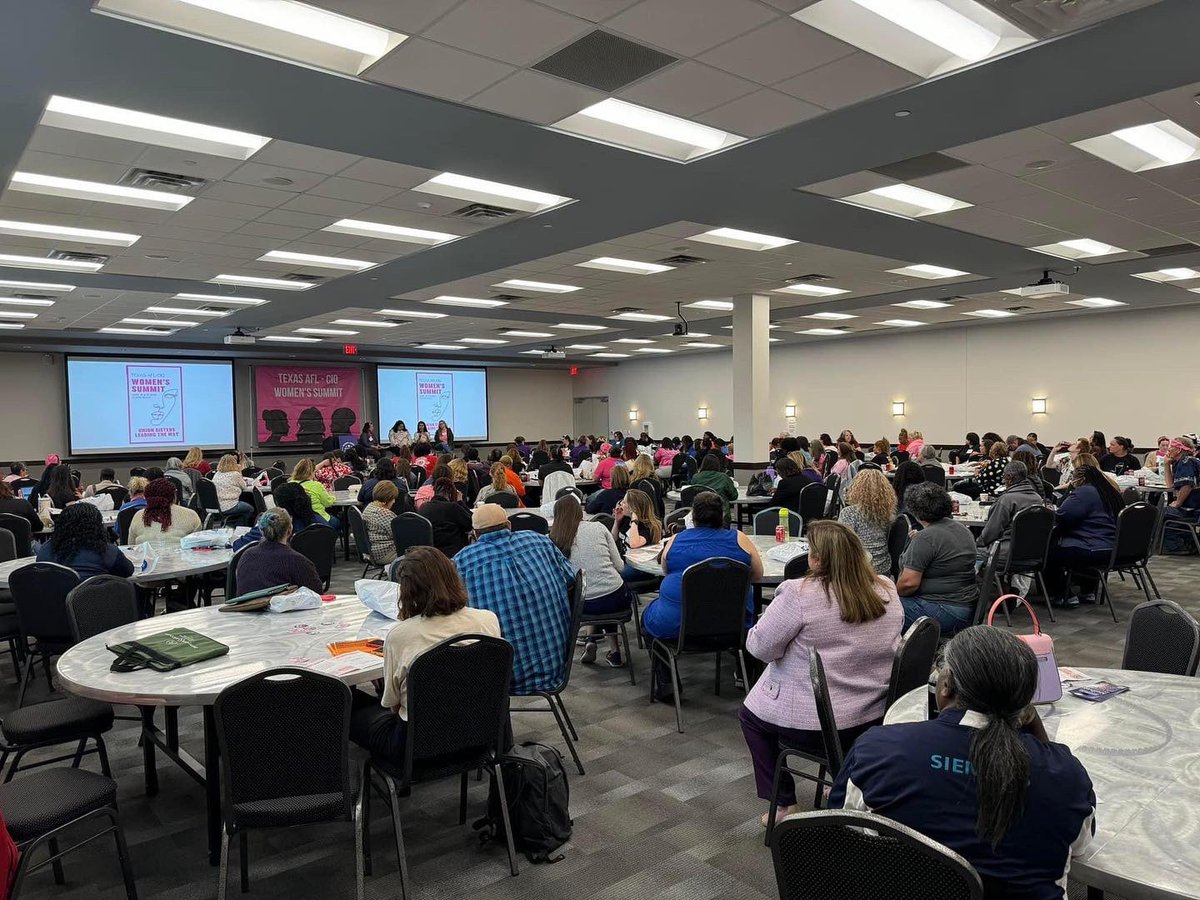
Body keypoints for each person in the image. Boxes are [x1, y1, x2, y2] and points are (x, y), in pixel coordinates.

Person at [832, 626, 1095, 895]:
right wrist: (1039, 737)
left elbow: (838, 827)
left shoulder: (877, 749)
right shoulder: (1066, 776)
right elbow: (1081, 849)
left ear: (946, 685)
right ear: (1024, 702)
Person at [741, 520, 902, 824]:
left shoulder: (797, 593)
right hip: (876, 714)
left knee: (750, 717)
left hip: (819, 723)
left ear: (814, 559)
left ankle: (785, 805)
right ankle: (843, 781)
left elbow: (759, 648)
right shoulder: (886, 588)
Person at [349, 547, 502, 766]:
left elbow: (392, 705)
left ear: (406, 590)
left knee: (346, 702)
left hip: (414, 747)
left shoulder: (400, 635)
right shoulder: (488, 620)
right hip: (478, 736)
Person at [642, 492, 763, 699]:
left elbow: (664, 569)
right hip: (733, 627)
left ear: (693, 516)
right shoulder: (739, 539)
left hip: (679, 627)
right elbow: (757, 575)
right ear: (722, 515)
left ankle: (667, 682)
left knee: (648, 618)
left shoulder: (675, 540)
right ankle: (746, 674)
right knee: (754, 618)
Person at [454, 503, 574, 695]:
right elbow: (571, 581)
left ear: (475, 534)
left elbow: (453, 614)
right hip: (558, 663)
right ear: (509, 525)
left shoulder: (461, 562)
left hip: (502, 677)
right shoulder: (541, 541)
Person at [550, 495, 631, 668]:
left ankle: (589, 640)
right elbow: (620, 566)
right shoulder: (598, 527)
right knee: (605, 590)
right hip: (616, 597)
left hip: (583, 604)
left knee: (586, 592)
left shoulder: (556, 540)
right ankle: (614, 651)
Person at [895, 483, 978, 633]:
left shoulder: (926, 538)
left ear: (915, 512)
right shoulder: (961, 529)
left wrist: (892, 593)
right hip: (966, 606)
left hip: (943, 610)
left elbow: (908, 584)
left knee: (879, 609)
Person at [1045, 465, 1124, 606]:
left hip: (1092, 547)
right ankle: (1088, 591)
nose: (1072, 482)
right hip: (1113, 546)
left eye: (1073, 478)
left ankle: (1063, 595)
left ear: (1081, 479)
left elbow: (1064, 516)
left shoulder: (1084, 493)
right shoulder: (1108, 491)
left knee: (1048, 551)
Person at [235, 508, 324, 594]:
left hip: (245, 608)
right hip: (281, 608)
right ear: (289, 531)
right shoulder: (297, 561)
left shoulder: (246, 556)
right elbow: (317, 594)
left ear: (261, 531)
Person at [36, 503, 134, 579]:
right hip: (95, 602)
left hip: (56, 603)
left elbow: (40, 577)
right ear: (97, 526)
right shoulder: (107, 551)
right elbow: (128, 571)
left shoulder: (46, 550)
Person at [975, 461, 1045, 568]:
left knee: (967, 552)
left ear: (1009, 478)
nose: (1003, 480)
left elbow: (991, 532)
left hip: (1007, 553)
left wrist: (976, 542)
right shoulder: (1038, 499)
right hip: (1034, 552)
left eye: (1004, 477)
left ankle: (988, 583)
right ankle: (1001, 583)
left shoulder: (1006, 500)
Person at [837, 469, 896, 575]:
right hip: (883, 568)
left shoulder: (849, 513)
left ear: (857, 489)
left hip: (857, 570)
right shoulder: (887, 514)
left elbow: (842, 544)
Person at [127, 478, 202, 545]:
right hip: (181, 560)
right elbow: (198, 547)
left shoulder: (138, 516)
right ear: (174, 496)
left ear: (146, 497)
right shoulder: (191, 515)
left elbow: (131, 546)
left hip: (146, 559)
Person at [1160, 436, 1200, 554]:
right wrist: (1166, 464)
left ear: (1179, 450)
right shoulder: (1183, 462)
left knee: (1161, 512)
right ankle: (1186, 543)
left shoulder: (1186, 462)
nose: (1168, 449)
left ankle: (1177, 546)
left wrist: (1178, 503)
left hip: (1194, 508)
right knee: (1166, 513)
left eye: (1171, 447)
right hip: (1193, 507)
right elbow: (1170, 486)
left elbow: (1187, 485)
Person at [612, 487, 661, 579]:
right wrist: (617, 521)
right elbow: (613, 538)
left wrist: (635, 521)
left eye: (624, 502)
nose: (620, 504)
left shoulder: (646, 526)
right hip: (624, 561)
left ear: (632, 508)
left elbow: (634, 544)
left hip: (639, 566)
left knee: (613, 577)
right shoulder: (626, 519)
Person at [421, 478, 474, 558]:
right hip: (454, 553)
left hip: (430, 554)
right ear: (450, 493)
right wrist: (460, 502)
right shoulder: (452, 507)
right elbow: (471, 523)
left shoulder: (423, 507)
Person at [690, 452, 739, 524]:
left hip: (700, 516)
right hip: (721, 516)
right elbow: (734, 496)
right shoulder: (723, 477)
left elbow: (692, 495)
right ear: (718, 465)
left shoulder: (696, 477)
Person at [361, 480, 400, 566]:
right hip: (385, 554)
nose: (394, 502)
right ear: (387, 499)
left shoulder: (369, 508)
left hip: (372, 551)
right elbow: (398, 536)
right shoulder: (383, 513)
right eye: (393, 499)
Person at [289, 458, 338, 525]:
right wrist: (333, 498)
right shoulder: (316, 485)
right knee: (337, 522)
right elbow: (328, 503)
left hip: (297, 522)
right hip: (319, 519)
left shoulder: (289, 484)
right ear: (311, 472)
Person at [213, 454, 255, 527]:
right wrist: (239, 471)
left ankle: (231, 524)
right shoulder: (235, 474)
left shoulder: (217, 474)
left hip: (217, 505)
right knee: (250, 509)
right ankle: (240, 526)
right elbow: (244, 487)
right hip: (230, 505)